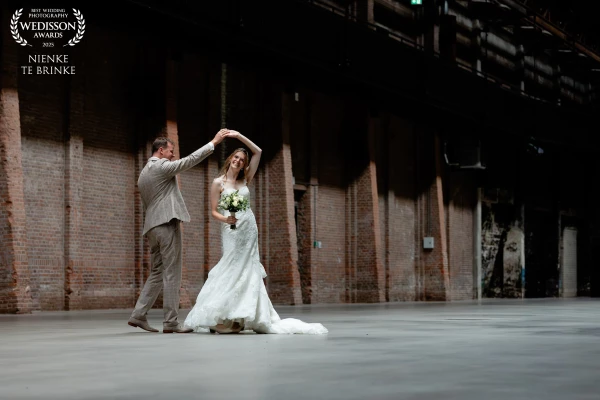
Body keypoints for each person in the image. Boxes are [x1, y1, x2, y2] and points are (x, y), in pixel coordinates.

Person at [184, 131, 328, 335]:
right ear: (230, 159)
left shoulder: (246, 180)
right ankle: (221, 313)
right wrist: (226, 219)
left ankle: (241, 314)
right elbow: (214, 211)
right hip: (231, 229)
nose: (238, 161)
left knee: (248, 268)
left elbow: (258, 151)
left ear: (244, 164)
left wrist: (239, 136)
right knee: (230, 265)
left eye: (242, 160)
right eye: (236, 157)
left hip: (249, 229)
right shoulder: (218, 183)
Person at [128, 129, 229, 333]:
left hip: (152, 228)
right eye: (171, 151)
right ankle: (171, 322)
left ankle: (138, 314)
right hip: (166, 224)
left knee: (157, 271)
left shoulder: (143, 173)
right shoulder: (162, 167)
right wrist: (214, 143)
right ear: (161, 150)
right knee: (172, 272)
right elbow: (189, 161)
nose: (173, 155)